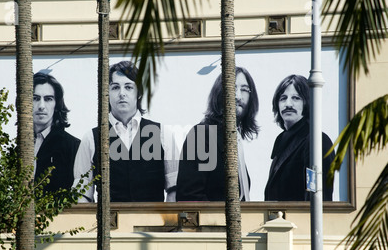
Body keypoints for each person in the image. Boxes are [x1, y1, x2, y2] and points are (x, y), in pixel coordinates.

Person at [72, 60, 178, 202]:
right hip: (108, 223)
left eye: (129, 87)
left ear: (139, 92)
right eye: (115, 88)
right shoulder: (91, 138)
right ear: (106, 93)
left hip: (151, 223)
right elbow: (82, 194)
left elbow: (174, 189)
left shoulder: (163, 134)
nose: (122, 93)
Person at [176, 66, 260, 201]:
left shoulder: (235, 140)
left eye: (244, 90)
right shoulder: (201, 135)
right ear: (219, 93)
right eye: (232, 88)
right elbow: (190, 197)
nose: (238, 96)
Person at [264, 74, 335, 201]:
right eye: (283, 98)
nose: (288, 104)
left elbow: (317, 195)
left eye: (296, 98)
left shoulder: (316, 140)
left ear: (307, 103)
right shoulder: (281, 141)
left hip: (301, 220)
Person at [33, 72, 81, 194]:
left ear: (56, 105)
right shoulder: (17, 146)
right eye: (35, 98)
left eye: (48, 99)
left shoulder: (72, 146)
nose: (41, 106)